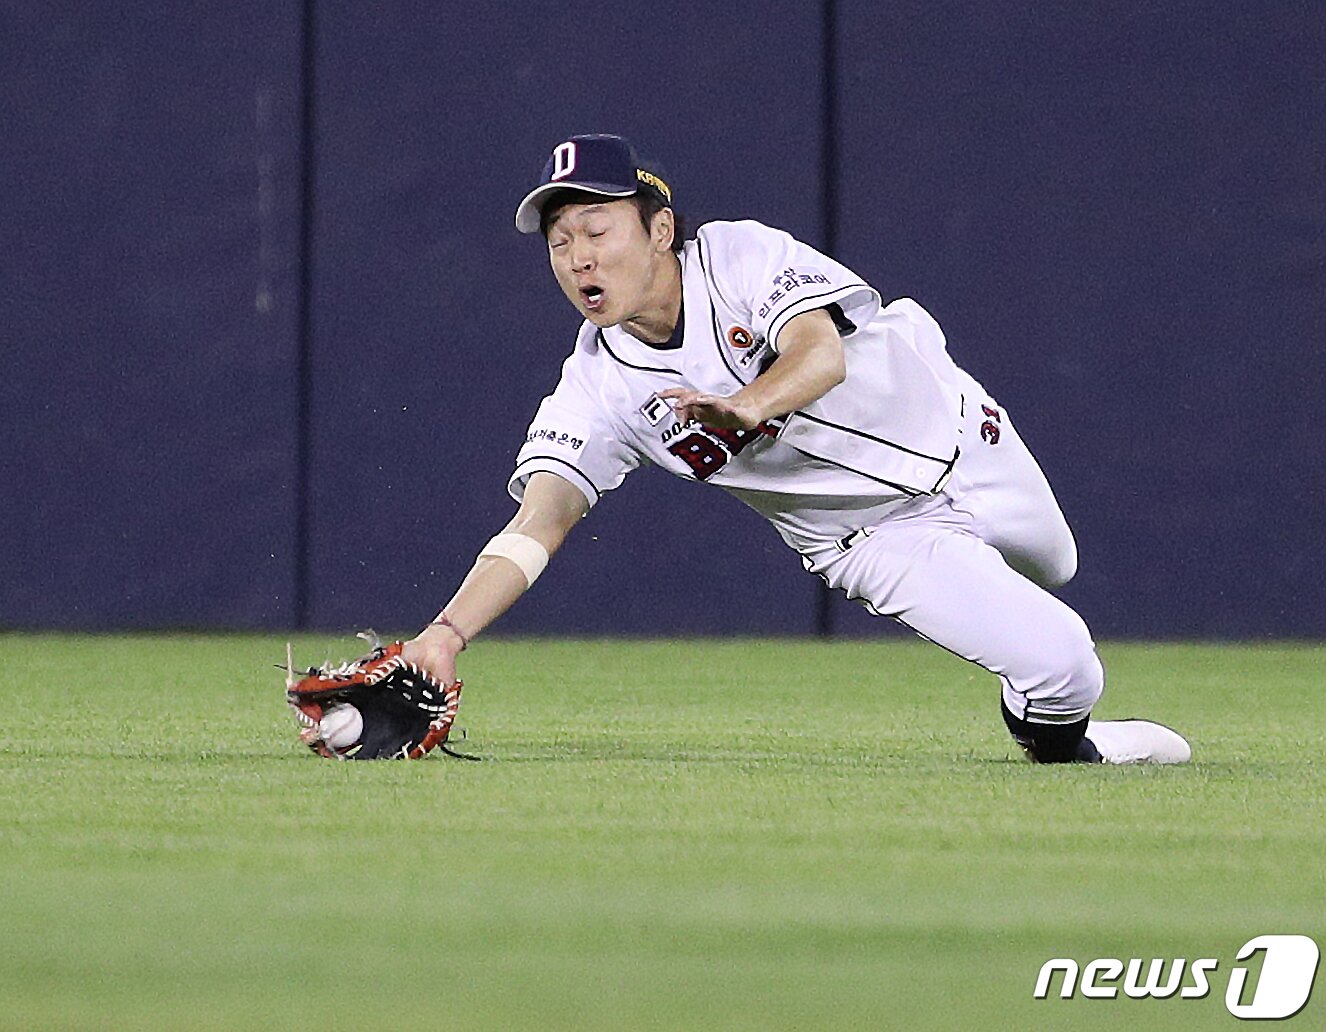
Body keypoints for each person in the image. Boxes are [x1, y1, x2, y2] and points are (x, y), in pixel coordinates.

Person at [402, 133, 1190, 765]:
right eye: (559, 241)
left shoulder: (738, 257)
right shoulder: (596, 389)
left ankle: (1032, 648)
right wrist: (446, 634)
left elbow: (820, 354)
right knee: (1065, 666)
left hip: (966, 436)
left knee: (1058, 565)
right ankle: (1073, 745)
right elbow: (539, 521)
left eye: (597, 230)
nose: (578, 258)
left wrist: (746, 406)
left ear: (660, 231)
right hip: (874, 539)